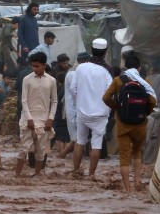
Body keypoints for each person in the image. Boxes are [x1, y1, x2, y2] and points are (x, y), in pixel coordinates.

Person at [102, 55, 157, 192]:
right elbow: (152, 101)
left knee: (124, 156)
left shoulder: (118, 81)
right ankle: (138, 182)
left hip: (123, 124)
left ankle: (127, 190)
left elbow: (106, 98)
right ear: (139, 68)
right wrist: (145, 113)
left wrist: (117, 108)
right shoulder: (145, 81)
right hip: (140, 124)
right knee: (137, 152)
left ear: (125, 68)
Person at [71, 38, 113, 177]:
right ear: (105, 52)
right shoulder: (107, 71)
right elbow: (110, 93)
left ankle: (76, 171)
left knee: (80, 141)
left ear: (92, 50)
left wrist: (79, 103)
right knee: (96, 145)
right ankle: (91, 175)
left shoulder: (81, 67)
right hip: (100, 114)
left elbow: (73, 88)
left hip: (82, 112)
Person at [15, 52, 57, 177]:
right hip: (27, 118)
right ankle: (17, 176)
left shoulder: (51, 81)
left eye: (37, 66)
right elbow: (24, 100)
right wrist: (29, 118)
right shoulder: (27, 79)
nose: (34, 69)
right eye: (33, 66)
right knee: (24, 148)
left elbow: (54, 101)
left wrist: (51, 118)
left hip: (44, 119)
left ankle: (37, 175)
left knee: (40, 150)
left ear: (44, 65)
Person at [57, 52, 91, 158]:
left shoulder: (78, 72)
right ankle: (66, 157)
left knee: (79, 138)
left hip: (78, 110)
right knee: (78, 138)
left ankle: (63, 155)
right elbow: (76, 91)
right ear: (83, 62)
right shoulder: (73, 74)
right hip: (75, 110)